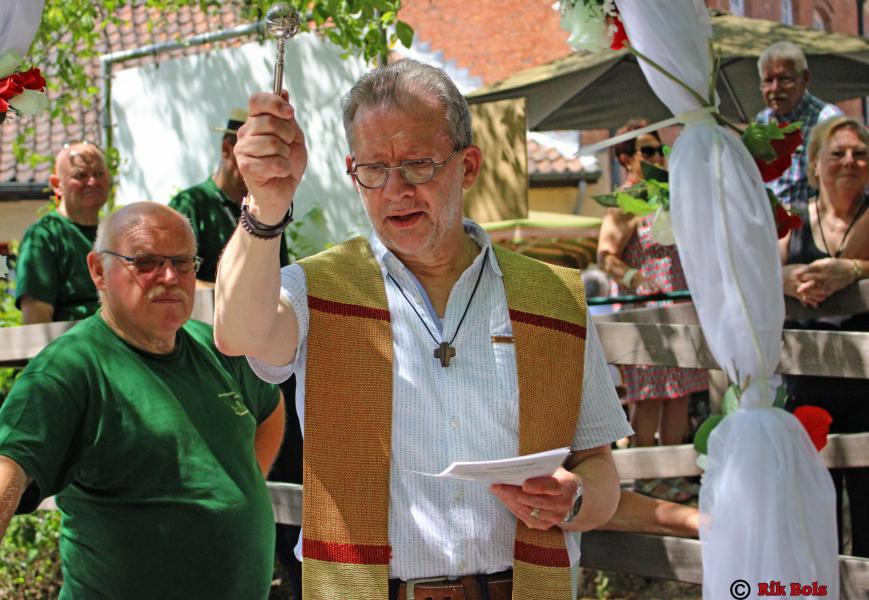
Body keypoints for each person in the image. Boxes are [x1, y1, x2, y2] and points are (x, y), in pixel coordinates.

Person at [213, 59, 632, 600]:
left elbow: (599, 467)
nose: (395, 190)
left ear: (469, 165)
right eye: (373, 169)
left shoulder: (553, 297)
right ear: (351, 170)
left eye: (417, 164)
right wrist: (266, 205)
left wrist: (574, 498)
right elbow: (238, 332)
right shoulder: (318, 288)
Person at [0, 202, 284, 599]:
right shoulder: (72, 368)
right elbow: (2, 469)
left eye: (182, 263)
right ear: (97, 270)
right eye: (145, 262)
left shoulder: (218, 348)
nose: (168, 277)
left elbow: (270, 408)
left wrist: (244, 487)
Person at [596, 121, 708, 503]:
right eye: (647, 151)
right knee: (649, 396)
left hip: (680, 308)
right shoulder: (627, 200)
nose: (658, 157)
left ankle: (673, 475)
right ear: (626, 158)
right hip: (646, 314)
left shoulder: (667, 196)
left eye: (660, 150)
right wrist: (636, 279)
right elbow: (605, 256)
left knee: (681, 393)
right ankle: (644, 478)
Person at [779, 116, 869, 557]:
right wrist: (786, 278)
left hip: (866, 386)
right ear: (815, 165)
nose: (849, 161)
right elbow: (754, 272)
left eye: (859, 153)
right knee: (815, 510)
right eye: (838, 153)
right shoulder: (793, 223)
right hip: (807, 386)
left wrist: (851, 269)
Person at [169, 108, 289, 284]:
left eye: (268, 159)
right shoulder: (191, 205)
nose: (261, 169)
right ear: (226, 149)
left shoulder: (267, 211)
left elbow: (282, 278)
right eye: (253, 157)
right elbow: (173, 279)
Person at [16, 142, 110, 323]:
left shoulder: (115, 233)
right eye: (80, 175)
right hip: (73, 347)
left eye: (99, 173)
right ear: (57, 184)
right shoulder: (44, 236)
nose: (93, 181)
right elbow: (36, 322)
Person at [756, 41, 843, 212]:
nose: (775, 88)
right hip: (772, 227)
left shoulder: (827, 121)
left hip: (813, 227)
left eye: (784, 79)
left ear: (805, 79)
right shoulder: (762, 121)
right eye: (768, 81)